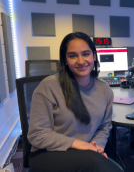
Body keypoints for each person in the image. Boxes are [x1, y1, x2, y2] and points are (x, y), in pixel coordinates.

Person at [27, 32, 122, 172]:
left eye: (86, 54)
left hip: (86, 154)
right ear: (65, 60)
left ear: (94, 56)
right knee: (98, 165)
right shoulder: (49, 86)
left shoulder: (105, 90)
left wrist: (97, 146)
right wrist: (79, 145)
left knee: (106, 166)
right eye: (72, 56)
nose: (81, 61)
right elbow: (37, 134)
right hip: (48, 154)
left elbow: (104, 127)